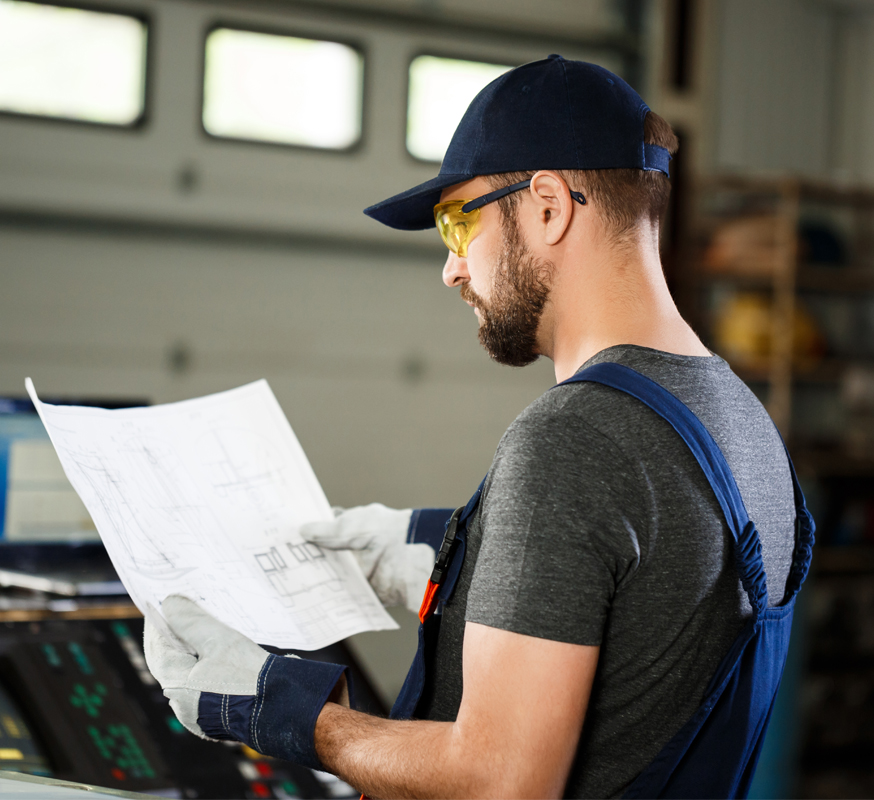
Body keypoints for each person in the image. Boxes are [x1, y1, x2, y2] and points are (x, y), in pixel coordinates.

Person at [144, 56, 814, 799]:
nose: (451, 270)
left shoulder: (573, 438)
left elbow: (500, 782)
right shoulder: (744, 424)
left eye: (458, 223)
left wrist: (286, 709)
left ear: (549, 206)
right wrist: (440, 553)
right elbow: (645, 598)